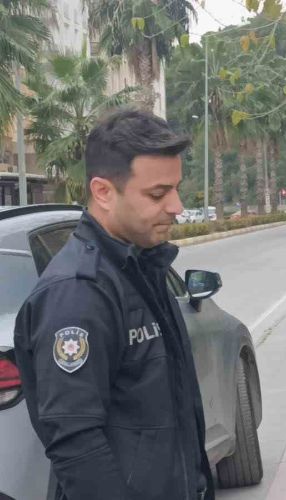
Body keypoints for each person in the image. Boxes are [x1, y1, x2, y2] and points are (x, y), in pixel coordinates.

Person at [14, 109, 214, 500]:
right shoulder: (78, 294)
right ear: (104, 192)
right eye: (157, 194)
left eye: (176, 188)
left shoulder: (141, 267)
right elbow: (75, 442)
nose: (176, 205)